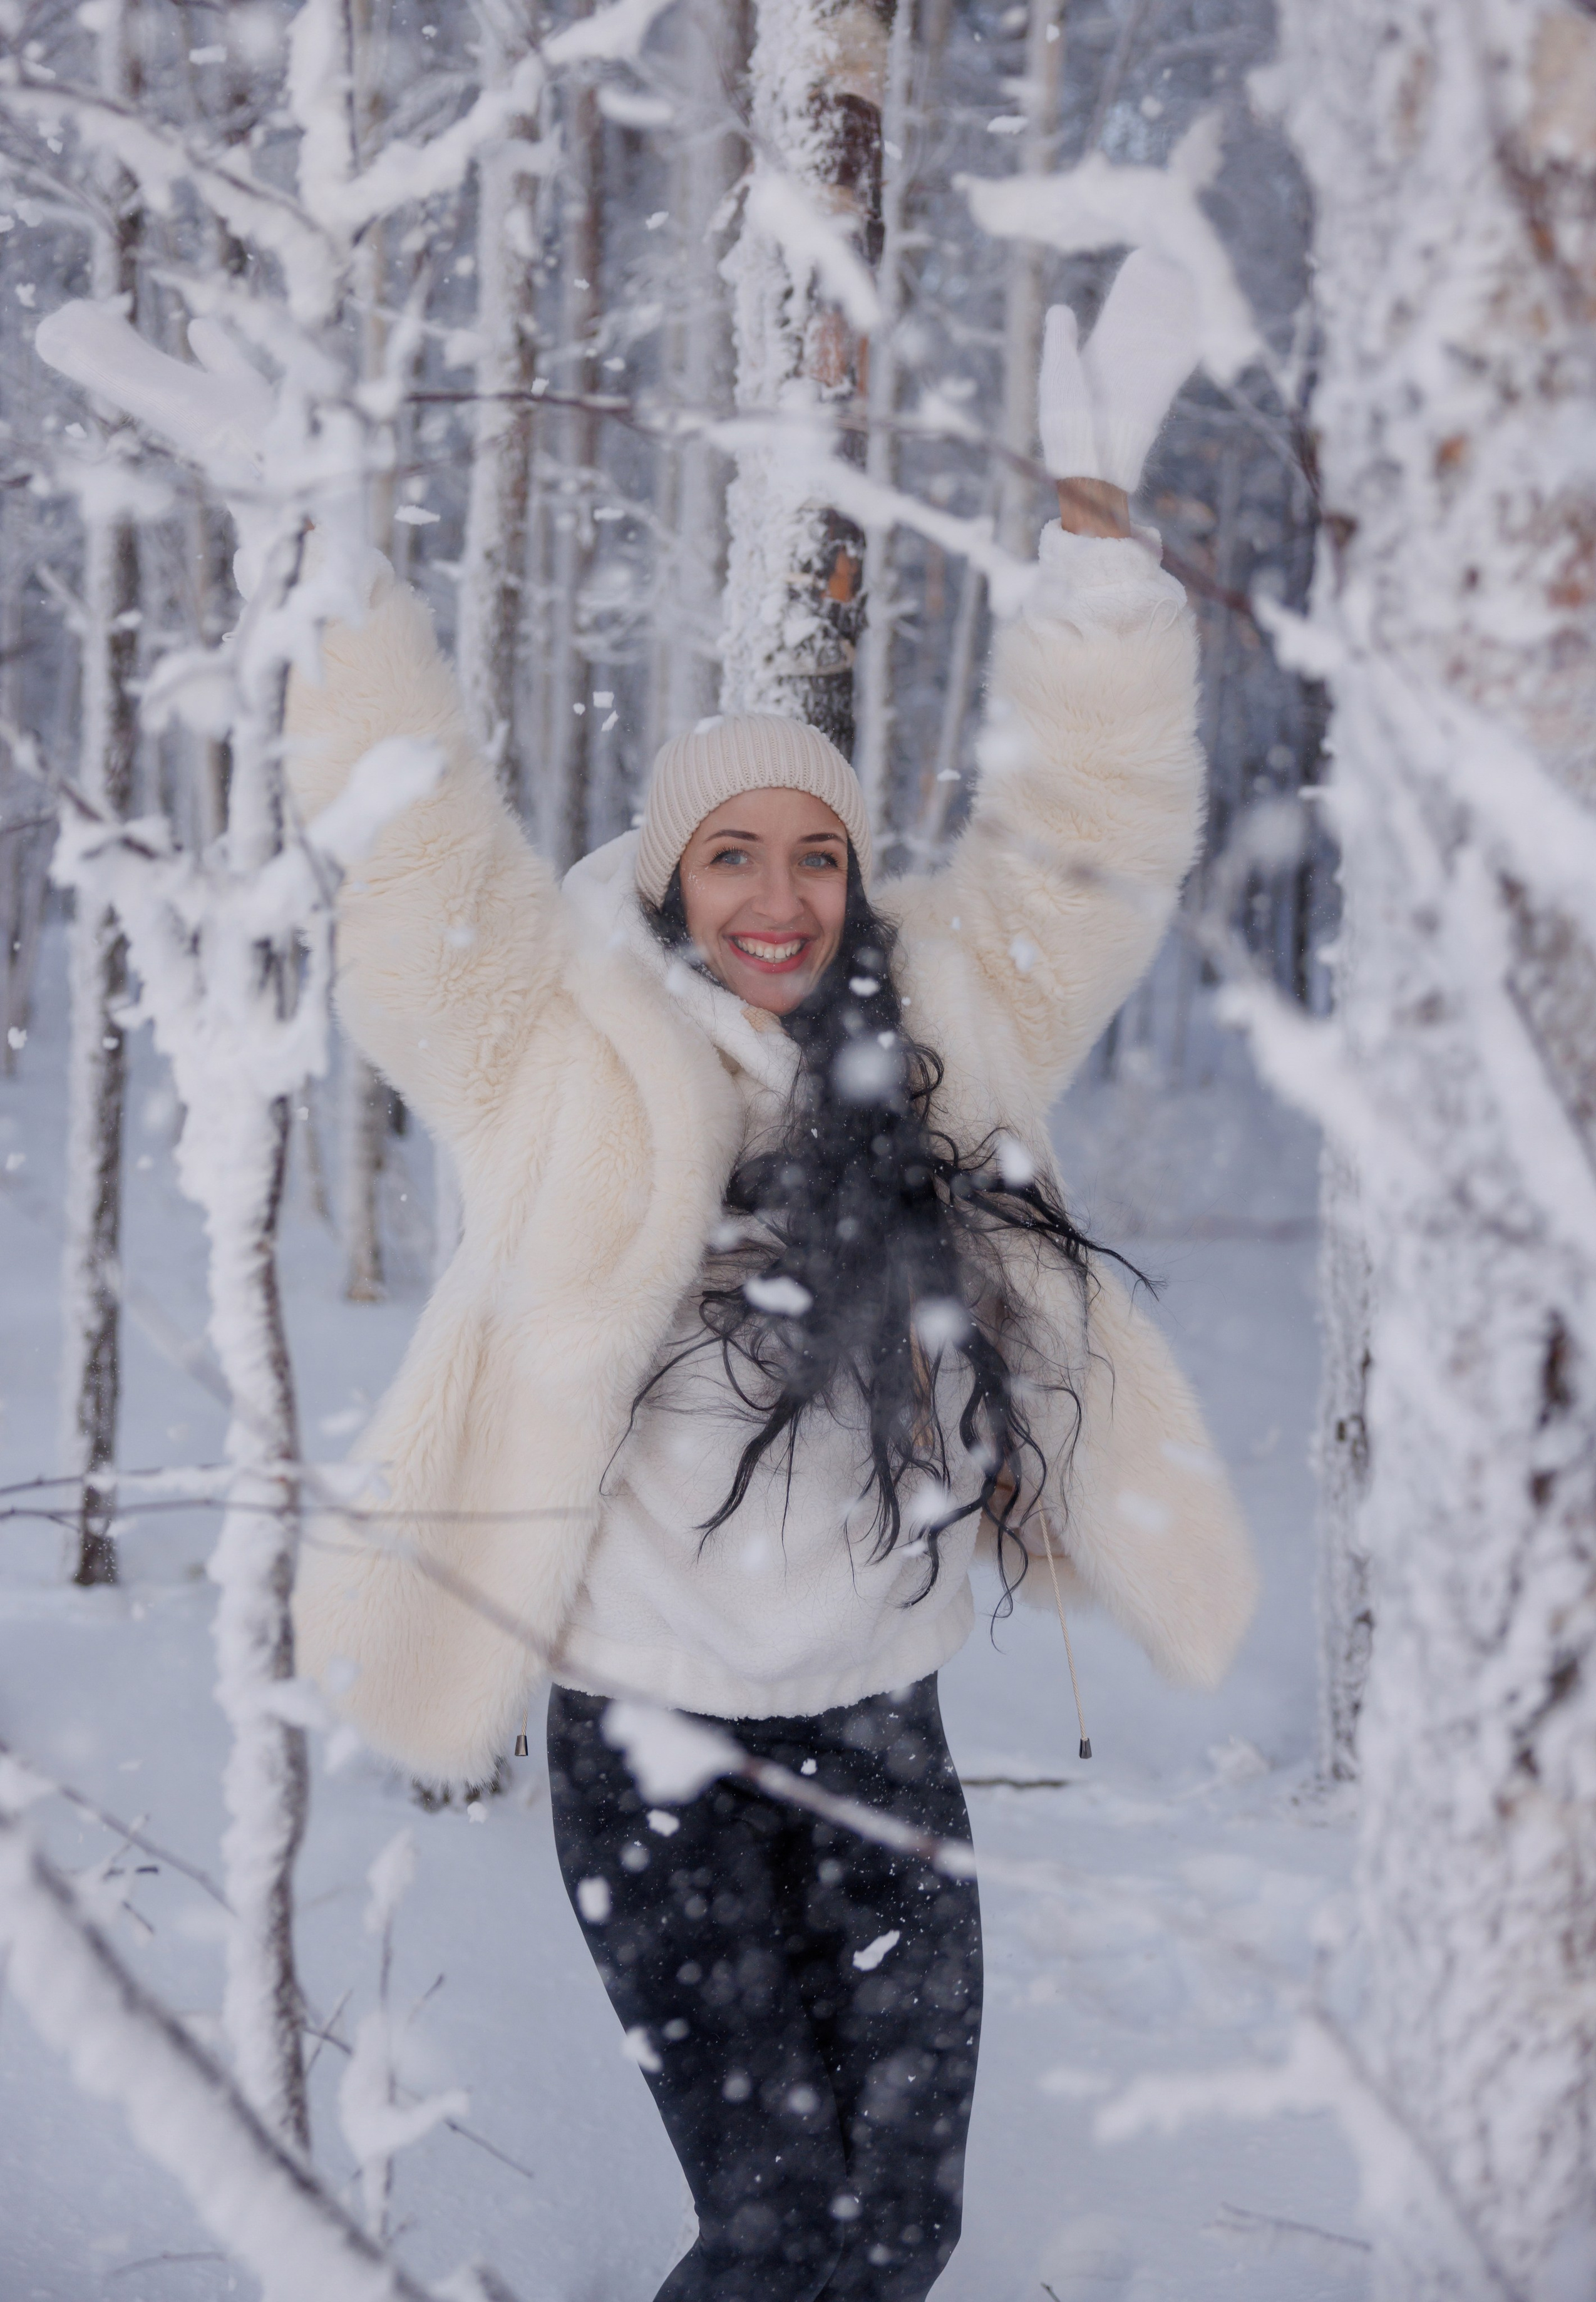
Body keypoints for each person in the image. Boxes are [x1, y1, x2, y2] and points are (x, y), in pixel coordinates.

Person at [39, 254, 1257, 2302]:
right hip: (655, 1753)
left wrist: (1099, 547)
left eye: (816, 857)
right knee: (783, 2228)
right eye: (731, 857)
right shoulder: (551, 1043)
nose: (779, 900)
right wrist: (333, 572)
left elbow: (1088, 834)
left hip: (882, 1732)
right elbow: (416, 850)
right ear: (671, 875)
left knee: (904, 2229)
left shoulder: (952, 1021)